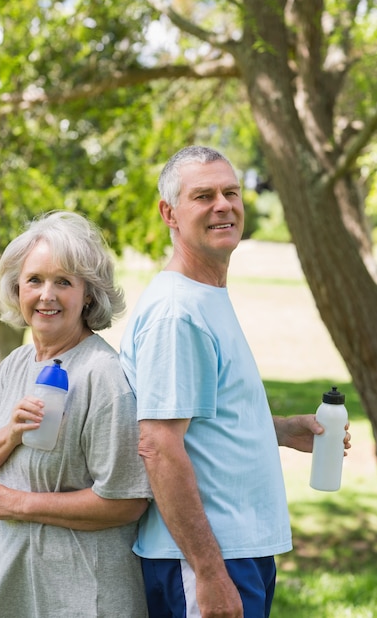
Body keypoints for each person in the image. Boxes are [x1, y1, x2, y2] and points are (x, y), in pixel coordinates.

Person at [119, 146, 351, 618]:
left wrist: (283, 430)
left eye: (231, 192)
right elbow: (159, 446)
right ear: (169, 213)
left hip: (238, 550)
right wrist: (208, 571)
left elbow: (203, 418)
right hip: (206, 557)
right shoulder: (176, 313)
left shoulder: (205, 294)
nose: (223, 205)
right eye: (203, 196)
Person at [0, 211, 151, 618]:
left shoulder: (103, 376)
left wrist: (20, 503)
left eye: (63, 281)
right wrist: (8, 434)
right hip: (16, 593)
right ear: (16, 290)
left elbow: (127, 501)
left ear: (89, 294)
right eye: (34, 280)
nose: (47, 295)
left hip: (85, 600)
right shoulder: (15, 364)